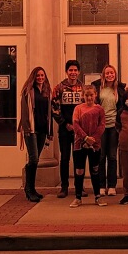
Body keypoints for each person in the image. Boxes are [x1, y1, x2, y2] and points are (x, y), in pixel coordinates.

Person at [17, 66, 52, 203]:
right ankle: (28, 189)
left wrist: (49, 131)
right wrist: (26, 129)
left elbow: (48, 112)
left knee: (35, 160)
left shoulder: (46, 91)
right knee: (34, 159)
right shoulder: (28, 91)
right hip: (31, 130)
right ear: (33, 76)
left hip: (43, 129)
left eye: (42, 75)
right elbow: (25, 112)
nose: (40, 78)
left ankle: (32, 188)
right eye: (38, 75)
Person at [52, 60, 85, 198]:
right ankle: (64, 187)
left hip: (80, 130)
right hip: (65, 129)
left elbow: (86, 108)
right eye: (70, 70)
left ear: (78, 72)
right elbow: (55, 109)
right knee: (65, 158)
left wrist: (79, 126)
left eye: (75, 70)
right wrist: (65, 124)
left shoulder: (83, 88)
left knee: (79, 158)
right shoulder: (59, 88)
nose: (73, 73)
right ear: (66, 71)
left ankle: (80, 187)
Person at [70, 85, 106, 208]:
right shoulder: (78, 109)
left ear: (95, 95)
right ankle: (78, 197)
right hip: (79, 144)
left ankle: (97, 196)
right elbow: (75, 125)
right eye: (86, 95)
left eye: (91, 95)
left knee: (95, 170)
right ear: (82, 96)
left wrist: (93, 139)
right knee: (79, 170)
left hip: (95, 145)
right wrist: (85, 138)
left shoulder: (100, 109)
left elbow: (102, 126)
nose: (89, 97)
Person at [92, 65, 126, 196]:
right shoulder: (98, 87)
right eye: (107, 73)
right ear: (103, 75)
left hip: (114, 126)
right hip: (100, 126)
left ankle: (112, 185)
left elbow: (122, 106)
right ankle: (101, 185)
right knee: (101, 156)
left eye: (112, 73)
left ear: (115, 74)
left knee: (112, 156)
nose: (110, 75)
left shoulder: (120, 89)